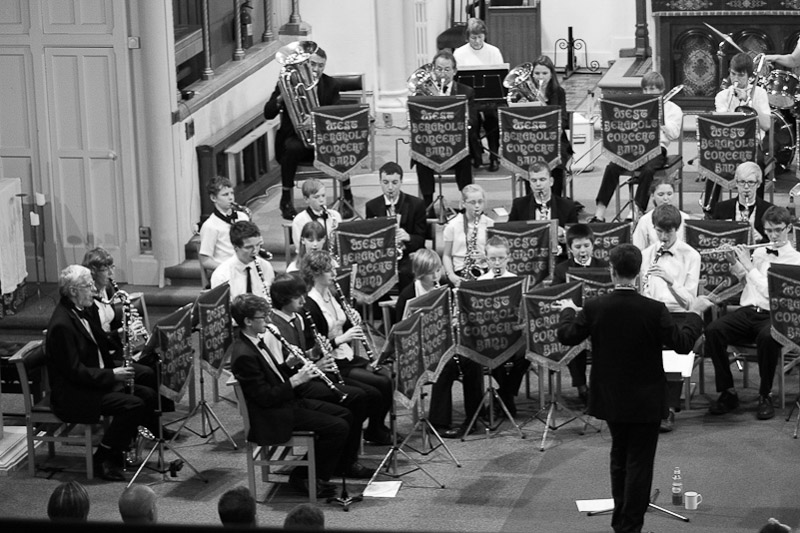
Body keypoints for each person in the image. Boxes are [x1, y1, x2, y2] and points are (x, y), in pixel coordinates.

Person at [555, 244, 711, 533]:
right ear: (639, 273)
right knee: (639, 462)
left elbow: (567, 335)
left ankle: (621, 523)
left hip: (611, 397)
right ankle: (630, 527)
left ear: (611, 271)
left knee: (619, 457)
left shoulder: (595, 307)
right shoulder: (654, 309)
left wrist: (567, 310)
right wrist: (695, 314)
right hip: (646, 400)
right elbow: (682, 344)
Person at [46, 265, 161, 481]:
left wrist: (122, 335)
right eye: (88, 286)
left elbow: (100, 340)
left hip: (94, 382)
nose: (94, 290)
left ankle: (121, 449)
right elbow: (74, 372)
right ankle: (102, 458)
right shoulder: (62, 325)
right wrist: (112, 375)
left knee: (147, 394)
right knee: (133, 404)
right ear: (73, 291)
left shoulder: (84, 309)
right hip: (75, 393)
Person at [229, 293, 349, 499]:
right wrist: (296, 380)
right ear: (248, 321)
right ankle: (304, 477)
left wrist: (288, 365)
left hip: (285, 402)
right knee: (339, 427)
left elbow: (272, 376)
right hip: (272, 416)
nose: (268, 321)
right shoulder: (243, 355)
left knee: (345, 414)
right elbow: (265, 397)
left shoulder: (255, 340)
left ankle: (322, 470)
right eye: (263, 317)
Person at [268, 274, 373, 479]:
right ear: (283, 299)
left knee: (361, 397)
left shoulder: (297, 318)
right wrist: (315, 365)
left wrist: (315, 352)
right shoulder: (274, 328)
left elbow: (301, 355)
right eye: (298, 297)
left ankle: (343, 458)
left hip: (308, 377)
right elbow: (279, 372)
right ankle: (342, 462)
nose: (303, 300)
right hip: (295, 388)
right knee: (357, 398)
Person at [705, 206, 800, 420]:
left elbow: (771, 292)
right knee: (713, 330)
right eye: (769, 230)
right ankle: (728, 391)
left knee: (768, 337)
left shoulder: (796, 260)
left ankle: (765, 394)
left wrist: (748, 266)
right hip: (748, 311)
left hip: (775, 315)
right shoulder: (759, 252)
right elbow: (747, 281)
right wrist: (733, 261)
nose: (773, 236)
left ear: (789, 228)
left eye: (778, 230)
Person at [301, 250, 394, 445]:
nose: (335, 274)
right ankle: (366, 429)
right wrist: (343, 338)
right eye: (330, 270)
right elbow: (315, 348)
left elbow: (342, 324)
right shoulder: (309, 305)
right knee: (377, 388)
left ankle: (375, 427)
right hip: (331, 363)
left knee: (386, 376)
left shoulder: (332, 294)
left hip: (346, 356)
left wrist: (354, 318)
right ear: (316, 273)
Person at [263, 45, 354, 220]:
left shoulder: (331, 85)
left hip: (324, 138)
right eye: (312, 64)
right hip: (295, 138)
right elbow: (268, 113)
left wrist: (314, 120)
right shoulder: (288, 83)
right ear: (304, 64)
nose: (316, 69)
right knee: (292, 149)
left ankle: (347, 195)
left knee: (342, 146)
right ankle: (286, 199)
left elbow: (336, 115)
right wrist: (281, 97)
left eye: (321, 65)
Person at [639, 204, 701, 432]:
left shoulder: (691, 256)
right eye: (659, 231)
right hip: (653, 312)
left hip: (680, 313)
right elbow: (643, 292)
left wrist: (670, 281)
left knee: (676, 342)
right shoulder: (646, 255)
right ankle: (645, 401)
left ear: (677, 229)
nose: (663, 237)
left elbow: (689, 301)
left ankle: (669, 409)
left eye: (668, 232)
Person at [593, 72, 682, 222]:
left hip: (657, 148)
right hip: (634, 147)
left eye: (652, 89)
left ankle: (635, 211)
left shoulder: (673, 109)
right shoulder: (638, 106)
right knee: (612, 168)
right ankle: (599, 213)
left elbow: (674, 134)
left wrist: (660, 119)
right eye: (645, 89)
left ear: (661, 90)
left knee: (648, 171)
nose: (648, 92)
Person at [702, 52, 771, 212]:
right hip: (727, 145)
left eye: (741, 75)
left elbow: (766, 125)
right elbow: (722, 124)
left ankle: (756, 209)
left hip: (752, 144)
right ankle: (709, 210)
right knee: (713, 161)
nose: (736, 79)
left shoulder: (759, 93)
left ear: (749, 77)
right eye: (733, 74)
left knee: (758, 163)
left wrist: (748, 101)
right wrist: (734, 103)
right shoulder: (722, 96)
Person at [413, 50, 476, 212]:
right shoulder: (422, 93)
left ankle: (467, 203)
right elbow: (417, 121)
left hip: (456, 144)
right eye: (439, 69)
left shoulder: (466, 92)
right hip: (431, 144)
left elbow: (473, 121)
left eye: (447, 69)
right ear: (433, 70)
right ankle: (428, 205)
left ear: (455, 71)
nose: (443, 73)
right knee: (421, 158)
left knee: (464, 157)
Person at [552, 223, 609, 403]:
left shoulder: (605, 267)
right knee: (573, 339)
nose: (582, 250)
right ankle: (582, 388)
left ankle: (601, 386)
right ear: (570, 249)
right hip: (576, 319)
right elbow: (556, 295)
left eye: (586, 246)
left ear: (593, 245)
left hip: (600, 320)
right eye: (577, 247)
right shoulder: (562, 269)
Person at [515, 55, 574, 197]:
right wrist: (521, 107)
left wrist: (545, 108)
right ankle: (532, 200)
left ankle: (555, 200)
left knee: (557, 161)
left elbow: (564, 120)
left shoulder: (559, 92)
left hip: (555, 140)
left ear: (551, 74)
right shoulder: (523, 92)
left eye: (544, 73)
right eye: (537, 73)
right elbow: (517, 121)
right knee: (529, 159)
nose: (540, 77)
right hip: (531, 140)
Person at [365, 162, 427, 291]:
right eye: (385, 182)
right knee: (371, 274)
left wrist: (408, 237)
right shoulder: (371, 206)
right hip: (382, 256)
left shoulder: (417, 204)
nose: (390, 188)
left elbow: (421, 240)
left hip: (407, 255)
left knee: (406, 272)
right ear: (380, 182)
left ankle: (405, 302)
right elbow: (369, 239)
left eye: (394, 182)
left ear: (401, 182)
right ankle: (382, 304)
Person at [453, 18, 504, 172]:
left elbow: (500, 79)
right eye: (473, 38)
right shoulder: (459, 53)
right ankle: (476, 156)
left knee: (492, 120)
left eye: (480, 37)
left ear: (484, 36)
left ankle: (494, 156)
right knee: (471, 123)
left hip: (490, 99)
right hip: (469, 100)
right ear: (467, 38)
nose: (477, 41)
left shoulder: (494, 51)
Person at [508, 162, 580, 261]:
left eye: (542, 180)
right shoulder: (519, 205)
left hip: (558, 259)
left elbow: (578, 237)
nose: (538, 184)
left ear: (551, 181)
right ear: (530, 183)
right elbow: (509, 233)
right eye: (534, 180)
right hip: (528, 258)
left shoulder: (567, 206)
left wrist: (564, 234)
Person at [443, 184, 495, 287]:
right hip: (460, 272)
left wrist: (485, 257)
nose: (477, 206)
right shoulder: (453, 225)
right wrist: (451, 275)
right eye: (472, 202)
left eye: (480, 202)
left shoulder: (490, 224)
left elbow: (496, 252)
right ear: (463, 203)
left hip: (484, 270)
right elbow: (446, 255)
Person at [211, 220, 275, 301]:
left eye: (258, 245)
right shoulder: (221, 276)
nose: (255, 251)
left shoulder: (265, 266)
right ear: (235, 247)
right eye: (249, 247)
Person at [712, 161, 775, 243]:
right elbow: (713, 238)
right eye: (742, 182)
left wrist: (761, 239)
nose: (746, 187)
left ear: (758, 184)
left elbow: (775, 244)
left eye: (751, 182)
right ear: (736, 183)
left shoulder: (769, 210)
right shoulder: (721, 208)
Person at [199, 176, 250, 273]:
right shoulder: (210, 226)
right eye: (225, 195)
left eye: (232, 193)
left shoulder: (242, 217)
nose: (231, 198)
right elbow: (205, 261)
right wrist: (228, 269)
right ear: (213, 198)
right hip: (226, 272)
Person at [631, 177, 691, 250]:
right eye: (661, 194)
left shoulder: (685, 218)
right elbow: (638, 248)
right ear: (652, 196)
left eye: (669, 194)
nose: (666, 198)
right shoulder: (645, 220)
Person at [291, 178, 342, 252]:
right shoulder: (299, 220)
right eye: (316, 197)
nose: (321, 200)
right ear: (306, 199)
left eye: (323, 195)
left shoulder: (335, 215)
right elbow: (300, 247)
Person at [395, 248, 443, 322]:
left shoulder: (446, 286)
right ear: (420, 273)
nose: (435, 276)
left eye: (438, 270)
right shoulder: (407, 295)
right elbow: (400, 323)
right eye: (430, 273)